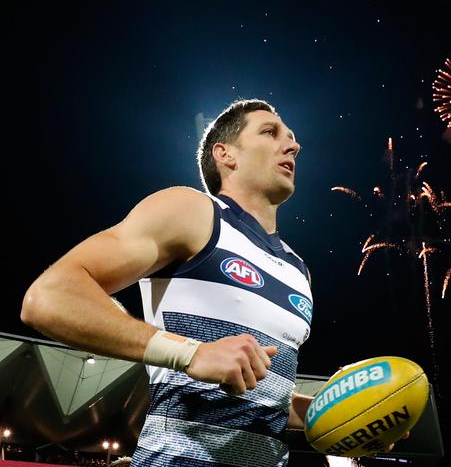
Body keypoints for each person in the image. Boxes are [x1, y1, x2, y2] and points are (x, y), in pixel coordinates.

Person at [22, 98, 407, 466]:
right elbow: (50, 297)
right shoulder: (193, 212)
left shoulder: (298, 270)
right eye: (271, 133)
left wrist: (324, 413)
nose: (293, 145)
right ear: (226, 154)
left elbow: (245, 382)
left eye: (291, 137)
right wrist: (190, 353)